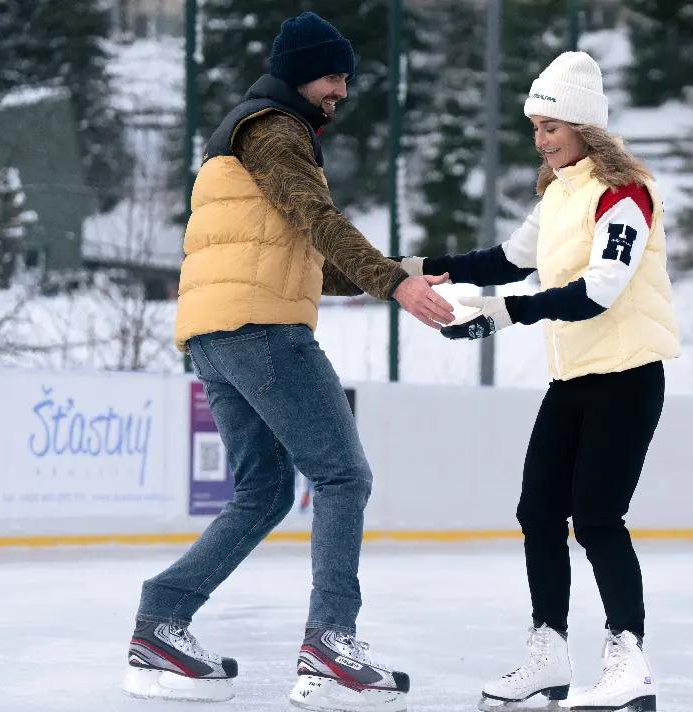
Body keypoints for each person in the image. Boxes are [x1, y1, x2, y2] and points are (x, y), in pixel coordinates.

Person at [120, 12, 452, 712]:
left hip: (216, 334)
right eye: (334, 76)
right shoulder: (274, 129)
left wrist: (401, 271)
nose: (341, 91)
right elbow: (321, 225)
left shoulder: (241, 133)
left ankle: (161, 617)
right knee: (343, 475)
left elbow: (303, 260)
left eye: (346, 79)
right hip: (263, 332)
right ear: (302, 70)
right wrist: (395, 283)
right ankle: (331, 645)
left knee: (264, 491)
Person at [397, 50, 678, 712]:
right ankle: (549, 653)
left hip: (629, 377)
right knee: (539, 511)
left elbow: (600, 291)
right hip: (575, 376)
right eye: (535, 126)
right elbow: (506, 259)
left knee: (600, 517)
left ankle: (628, 659)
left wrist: (507, 313)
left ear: (585, 126)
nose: (541, 138)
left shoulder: (624, 195)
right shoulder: (560, 194)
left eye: (551, 125)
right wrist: (421, 265)